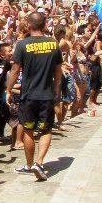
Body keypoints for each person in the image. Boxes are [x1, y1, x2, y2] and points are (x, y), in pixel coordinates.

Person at [7, 12, 62, 180]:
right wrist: (57, 90)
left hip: (29, 95)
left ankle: (30, 165)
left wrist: (8, 89)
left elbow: (15, 70)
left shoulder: (22, 45)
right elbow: (58, 71)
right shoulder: (53, 44)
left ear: (29, 25)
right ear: (44, 25)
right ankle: (39, 162)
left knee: (28, 130)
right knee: (46, 130)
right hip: (47, 95)